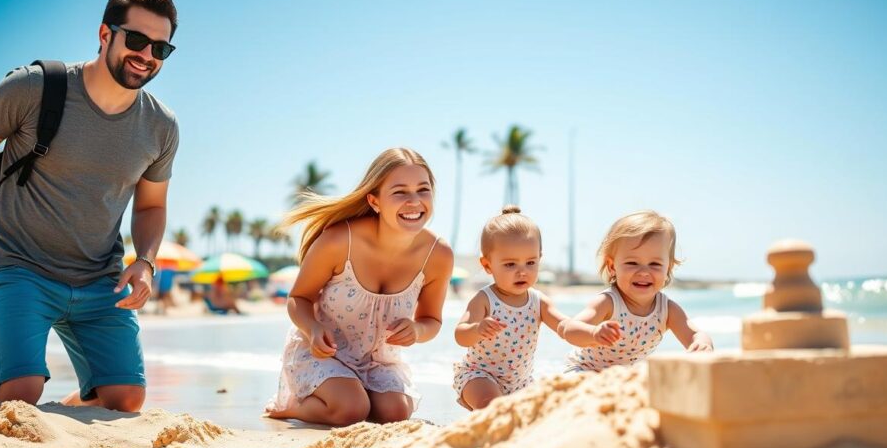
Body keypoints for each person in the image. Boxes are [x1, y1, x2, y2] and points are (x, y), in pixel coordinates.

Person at [0, 0, 180, 411]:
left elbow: (150, 205)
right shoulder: (34, 87)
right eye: (136, 40)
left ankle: (61, 413)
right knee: (21, 393)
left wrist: (145, 262)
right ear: (105, 34)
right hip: (19, 267)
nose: (146, 55)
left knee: (126, 399)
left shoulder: (161, 126)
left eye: (160, 49)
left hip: (99, 279)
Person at [266, 148, 454, 426]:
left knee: (396, 413)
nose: (414, 202)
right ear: (374, 201)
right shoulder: (340, 241)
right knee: (351, 410)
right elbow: (298, 298)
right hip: (320, 352)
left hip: (377, 361)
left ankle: (356, 392)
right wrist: (313, 329)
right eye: (400, 192)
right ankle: (292, 407)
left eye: (423, 190)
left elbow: (432, 320)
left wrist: (417, 330)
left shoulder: (438, 255)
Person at [561, 211, 714, 372]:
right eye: (632, 263)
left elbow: (694, 334)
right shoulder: (609, 302)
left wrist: (703, 344)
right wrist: (594, 333)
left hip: (625, 377)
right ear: (613, 267)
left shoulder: (667, 310)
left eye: (655, 264)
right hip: (584, 369)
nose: (644, 272)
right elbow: (570, 330)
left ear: (667, 268)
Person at [453, 206, 569, 410]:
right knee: (492, 406)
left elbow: (564, 326)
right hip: (480, 375)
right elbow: (461, 335)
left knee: (542, 411)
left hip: (521, 382)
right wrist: (477, 330)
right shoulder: (485, 299)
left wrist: (592, 333)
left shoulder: (539, 302)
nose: (522, 272)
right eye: (510, 265)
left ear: (539, 259)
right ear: (488, 265)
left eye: (530, 262)